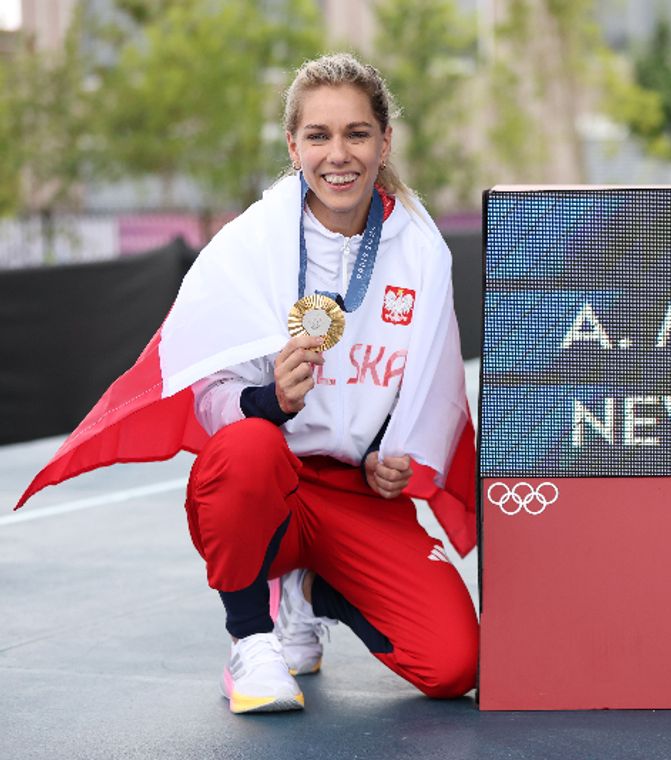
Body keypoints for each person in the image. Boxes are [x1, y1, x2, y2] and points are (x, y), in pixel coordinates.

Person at [17, 53, 479, 714]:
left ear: (384, 141)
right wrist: (271, 401)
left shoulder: (421, 249)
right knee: (246, 446)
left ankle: (313, 592)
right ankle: (251, 637)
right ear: (293, 146)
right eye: (318, 135)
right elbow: (210, 395)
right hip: (272, 483)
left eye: (356, 133)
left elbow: (434, 385)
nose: (337, 154)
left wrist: (396, 454)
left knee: (453, 663)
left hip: (356, 495)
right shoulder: (249, 242)